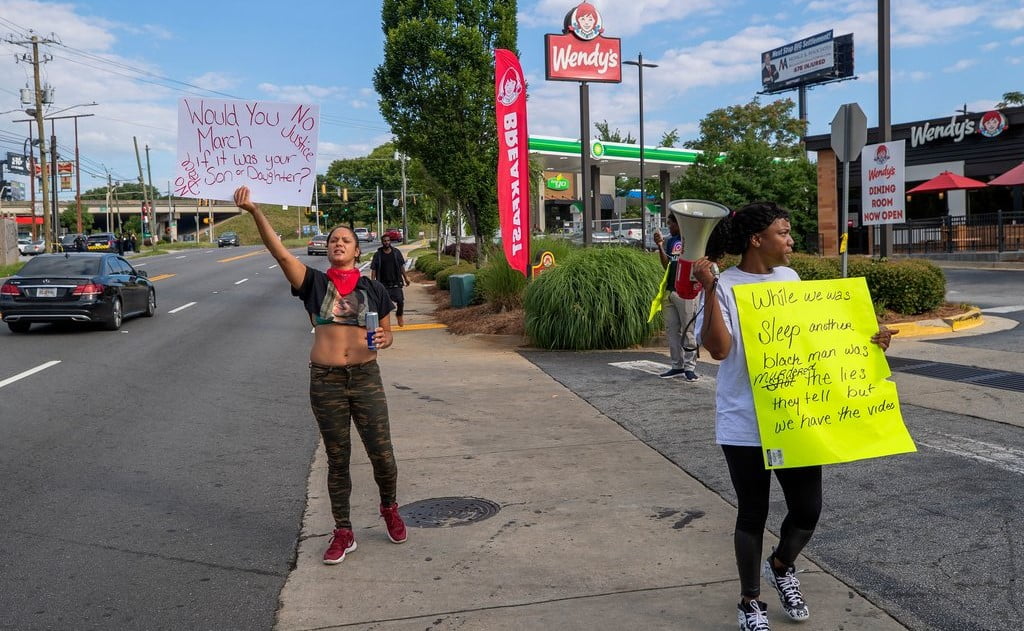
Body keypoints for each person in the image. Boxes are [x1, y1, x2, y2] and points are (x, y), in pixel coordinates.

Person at [692, 201, 896, 631]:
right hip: (745, 421)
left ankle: (782, 566)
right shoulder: (725, 285)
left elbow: (812, 340)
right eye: (783, 232)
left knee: (807, 510)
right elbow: (721, 350)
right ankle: (751, 602)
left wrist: (868, 339)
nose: (790, 240)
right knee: (753, 513)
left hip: (795, 415)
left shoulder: (790, 278)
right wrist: (708, 288)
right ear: (757, 240)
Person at [233, 185, 408, 565]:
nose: (339, 243)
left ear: (358, 250)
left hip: (365, 377)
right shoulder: (313, 284)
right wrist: (255, 212)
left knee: (383, 454)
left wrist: (385, 337)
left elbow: (389, 334)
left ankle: (389, 507)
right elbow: (278, 252)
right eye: (333, 240)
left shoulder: (374, 288)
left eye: (346, 239)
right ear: (328, 249)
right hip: (326, 380)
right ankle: (343, 531)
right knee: (337, 456)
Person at [652, 214, 698, 381]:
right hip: (670, 291)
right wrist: (660, 246)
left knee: (688, 330)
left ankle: (690, 367)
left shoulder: (692, 240)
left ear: (680, 224)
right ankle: (677, 365)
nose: (669, 227)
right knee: (672, 331)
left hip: (686, 291)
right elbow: (667, 265)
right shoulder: (671, 241)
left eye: (671, 224)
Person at [370, 234, 411, 328]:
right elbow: (374, 269)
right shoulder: (378, 255)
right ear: (382, 242)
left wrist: (405, 278)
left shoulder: (396, 252)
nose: (387, 242)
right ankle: (384, 323)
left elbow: (401, 266)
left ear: (390, 241)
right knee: (384, 306)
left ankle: (399, 315)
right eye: (384, 241)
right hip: (383, 284)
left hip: (396, 282)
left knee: (400, 301)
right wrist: (373, 283)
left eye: (388, 240)